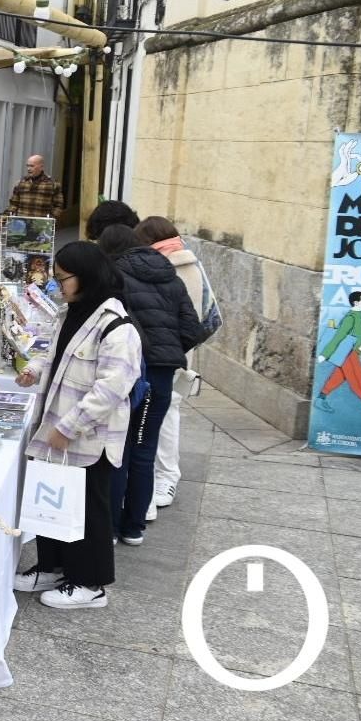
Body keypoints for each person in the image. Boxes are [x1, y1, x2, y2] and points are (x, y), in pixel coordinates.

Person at [13, 242, 143, 609]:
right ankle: (54, 567)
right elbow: (52, 353)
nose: (57, 287)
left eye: (62, 279)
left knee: (87, 509)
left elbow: (111, 389)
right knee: (54, 501)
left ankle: (90, 584)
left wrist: (68, 427)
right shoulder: (70, 313)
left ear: (86, 277)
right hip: (58, 430)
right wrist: (34, 369)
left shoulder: (116, 327)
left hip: (88, 438)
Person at [97, 225, 203, 547]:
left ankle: (113, 527)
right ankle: (134, 527)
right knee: (144, 450)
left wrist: (142, 353)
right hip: (161, 376)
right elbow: (193, 329)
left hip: (133, 375)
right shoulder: (171, 277)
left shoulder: (115, 278)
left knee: (119, 451)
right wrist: (168, 354)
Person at [133, 216, 209, 512]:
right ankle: (157, 480)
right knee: (159, 418)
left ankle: (165, 478)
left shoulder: (180, 266)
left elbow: (190, 319)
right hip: (169, 353)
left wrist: (169, 350)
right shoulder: (176, 260)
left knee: (165, 416)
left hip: (168, 356)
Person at [6, 155, 66, 221]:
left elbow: (58, 206)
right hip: (22, 225)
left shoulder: (53, 184)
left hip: (42, 225)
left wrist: (50, 220)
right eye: (27, 166)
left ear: (41, 167)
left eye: (32, 166)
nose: (28, 169)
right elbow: (13, 205)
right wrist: (3, 218)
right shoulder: (20, 183)